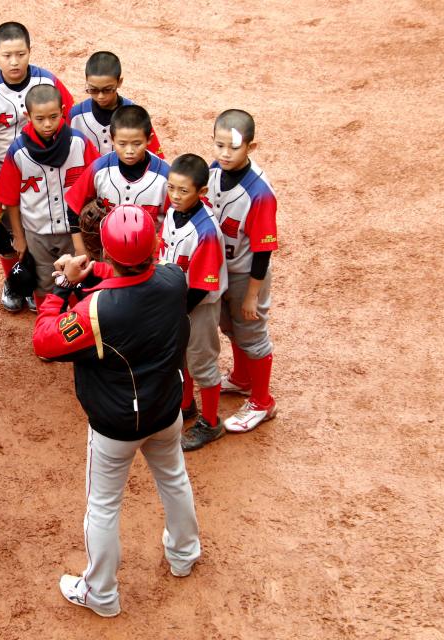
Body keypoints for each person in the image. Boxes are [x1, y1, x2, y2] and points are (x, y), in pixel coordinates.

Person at [33, 205, 201, 617]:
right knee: (174, 479)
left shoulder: (95, 312)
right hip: (165, 409)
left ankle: (101, 594)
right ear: (156, 245)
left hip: (115, 426)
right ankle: (184, 555)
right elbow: (136, 283)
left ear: (105, 250)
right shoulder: (174, 279)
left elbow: (44, 342)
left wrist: (61, 287)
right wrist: (92, 276)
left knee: (104, 505)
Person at [0, 21, 74, 312]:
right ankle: (14, 281)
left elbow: (69, 120)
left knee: (43, 231)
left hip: (44, 173)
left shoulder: (48, 82)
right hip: (2, 172)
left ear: (29, 51)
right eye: (7, 55)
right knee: (5, 237)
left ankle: (42, 281)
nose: (14, 62)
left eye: (20, 54)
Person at [0, 85, 98, 308]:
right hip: (37, 232)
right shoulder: (18, 151)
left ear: (62, 111)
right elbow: (11, 200)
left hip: (74, 233)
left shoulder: (79, 143)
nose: (47, 124)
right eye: (39, 118)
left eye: (53, 116)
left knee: (78, 281)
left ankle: (73, 326)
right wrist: (19, 237)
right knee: (42, 284)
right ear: (27, 116)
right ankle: (47, 323)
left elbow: (98, 183)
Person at [207, 110, 279, 433]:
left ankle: (263, 401)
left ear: (250, 146)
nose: (224, 153)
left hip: (247, 274)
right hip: (222, 269)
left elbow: (263, 250)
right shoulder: (212, 172)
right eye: (219, 145)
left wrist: (252, 294)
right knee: (232, 328)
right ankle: (243, 378)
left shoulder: (259, 193)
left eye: (233, 147)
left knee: (252, 333)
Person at [159, 154, 228, 450]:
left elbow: (200, 288)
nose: (175, 196)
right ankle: (187, 405)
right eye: (171, 187)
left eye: (183, 191)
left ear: (201, 193)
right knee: (180, 357)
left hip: (198, 307)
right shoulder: (174, 212)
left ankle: (211, 423)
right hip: (178, 303)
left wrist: (175, 312)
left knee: (202, 362)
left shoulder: (206, 232)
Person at [65, 104, 170, 256]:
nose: (129, 151)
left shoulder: (164, 176)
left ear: (149, 139)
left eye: (137, 143)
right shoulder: (100, 168)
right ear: (112, 139)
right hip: (107, 256)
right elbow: (73, 207)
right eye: (122, 144)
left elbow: (175, 218)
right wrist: (80, 249)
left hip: (149, 258)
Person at [68, 51, 164, 157]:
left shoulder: (137, 115)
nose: (100, 96)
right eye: (93, 89)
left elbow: (156, 158)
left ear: (119, 82)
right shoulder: (75, 115)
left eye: (108, 89)